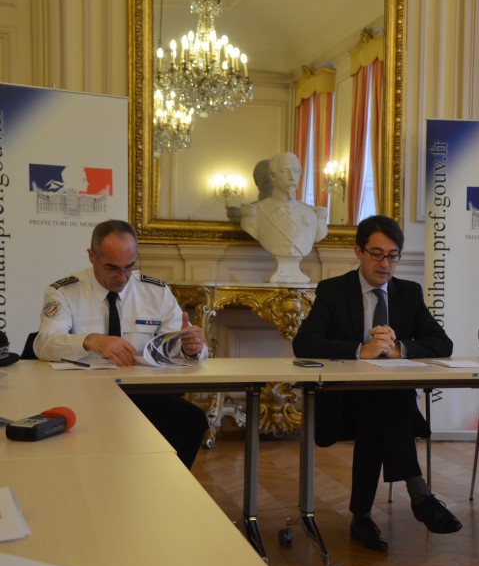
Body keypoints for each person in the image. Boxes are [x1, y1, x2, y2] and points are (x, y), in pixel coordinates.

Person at [292, 215, 462, 551]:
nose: (385, 264)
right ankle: (419, 494)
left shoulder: (408, 293)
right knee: (386, 404)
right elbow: (305, 342)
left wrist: (399, 350)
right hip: (341, 403)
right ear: (358, 251)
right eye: (377, 254)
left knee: (381, 405)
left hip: (385, 405)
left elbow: (443, 343)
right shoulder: (333, 290)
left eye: (393, 256)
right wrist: (361, 350)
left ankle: (363, 516)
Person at [33, 219, 209, 469]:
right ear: (91, 256)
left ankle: (165, 482)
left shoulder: (156, 292)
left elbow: (178, 345)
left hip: (143, 393)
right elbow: (44, 344)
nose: (123, 277)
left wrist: (192, 348)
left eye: (129, 267)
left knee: (189, 419)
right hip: (83, 393)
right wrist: (89, 340)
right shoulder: (65, 292)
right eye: (112, 268)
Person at [240, 152, 328, 282]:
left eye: (296, 171)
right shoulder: (257, 211)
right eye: (286, 171)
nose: (292, 178)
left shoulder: (310, 213)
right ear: (272, 175)